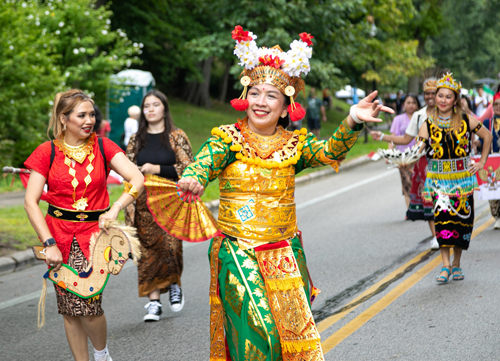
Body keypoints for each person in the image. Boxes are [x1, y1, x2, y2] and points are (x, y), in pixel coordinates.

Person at [175, 26, 393, 361]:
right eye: (256, 93)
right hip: (238, 251)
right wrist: (193, 178)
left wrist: (352, 120)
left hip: (284, 255)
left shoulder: (296, 144)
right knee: (258, 337)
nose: (261, 102)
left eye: (271, 96)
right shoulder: (227, 139)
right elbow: (203, 164)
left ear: (286, 104)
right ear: (245, 96)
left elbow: (329, 153)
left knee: (290, 339)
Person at [24, 89, 144, 361]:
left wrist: (115, 207)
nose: (89, 120)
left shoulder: (103, 146)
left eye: (91, 114)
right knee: (68, 308)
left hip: (95, 239)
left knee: (88, 306)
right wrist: (49, 244)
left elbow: (136, 178)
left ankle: (102, 354)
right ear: (64, 119)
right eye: (82, 115)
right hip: (58, 237)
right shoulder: (47, 152)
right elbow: (30, 202)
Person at [125, 89, 193, 321]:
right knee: (148, 254)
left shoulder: (176, 136)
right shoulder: (136, 140)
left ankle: (174, 283)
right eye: (147, 106)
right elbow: (127, 170)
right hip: (143, 205)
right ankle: (154, 303)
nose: (151, 109)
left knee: (171, 247)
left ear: (164, 108)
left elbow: (189, 169)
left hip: (171, 201)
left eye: (155, 105)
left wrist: (157, 169)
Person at [418, 73, 492, 284]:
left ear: (455, 100)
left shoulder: (467, 120)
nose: (442, 100)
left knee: (462, 221)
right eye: (439, 96)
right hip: (438, 179)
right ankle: (444, 265)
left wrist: (481, 163)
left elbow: (487, 136)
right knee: (442, 220)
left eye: (447, 97)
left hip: (462, 177)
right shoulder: (429, 123)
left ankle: (457, 264)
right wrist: (406, 155)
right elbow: (420, 146)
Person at [371, 78, 438, 249]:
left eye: (433, 93)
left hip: (445, 161)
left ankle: (447, 233)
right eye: (427, 93)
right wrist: (383, 136)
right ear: (424, 95)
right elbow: (406, 139)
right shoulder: (419, 116)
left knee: (445, 200)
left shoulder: (448, 112)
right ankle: (436, 236)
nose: (430, 96)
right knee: (429, 199)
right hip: (424, 162)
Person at [387, 94, 420, 209]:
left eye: (413, 103)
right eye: (408, 102)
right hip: (403, 158)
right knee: (407, 182)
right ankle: (409, 209)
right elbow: (393, 138)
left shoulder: (421, 118)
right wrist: (389, 154)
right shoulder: (398, 119)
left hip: (418, 155)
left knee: (418, 181)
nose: (411, 105)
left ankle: (420, 206)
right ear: (404, 105)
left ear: (417, 105)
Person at [481, 92, 500, 229]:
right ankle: (497, 217)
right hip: (492, 161)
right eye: (496, 104)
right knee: (493, 190)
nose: (498, 107)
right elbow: (482, 141)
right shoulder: (487, 123)